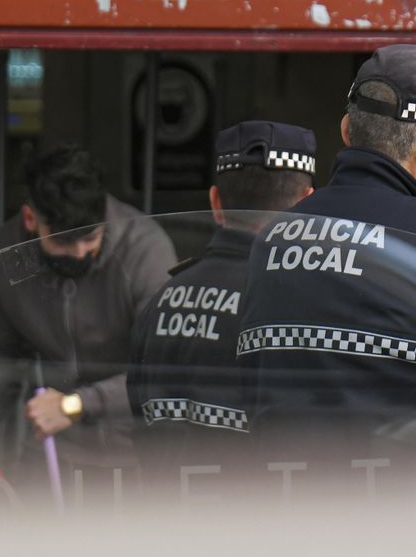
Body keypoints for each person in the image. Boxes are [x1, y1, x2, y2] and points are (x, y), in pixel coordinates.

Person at [235, 44, 416, 485]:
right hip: (407, 519)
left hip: (291, 514)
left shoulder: (272, 239)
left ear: (347, 129)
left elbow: (250, 384)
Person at [0, 143, 176, 478]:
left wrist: (76, 404)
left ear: (104, 214)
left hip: (138, 454)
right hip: (47, 451)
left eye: (90, 238)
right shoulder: (7, 255)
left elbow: (165, 369)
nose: (79, 253)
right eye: (64, 242)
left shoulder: (144, 249)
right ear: (31, 219)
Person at [128, 121, 318, 496]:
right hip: (251, 530)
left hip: (166, 523)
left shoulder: (162, 299)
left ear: (215, 202)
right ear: (307, 204)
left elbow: (138, 417)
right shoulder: (296, 305)